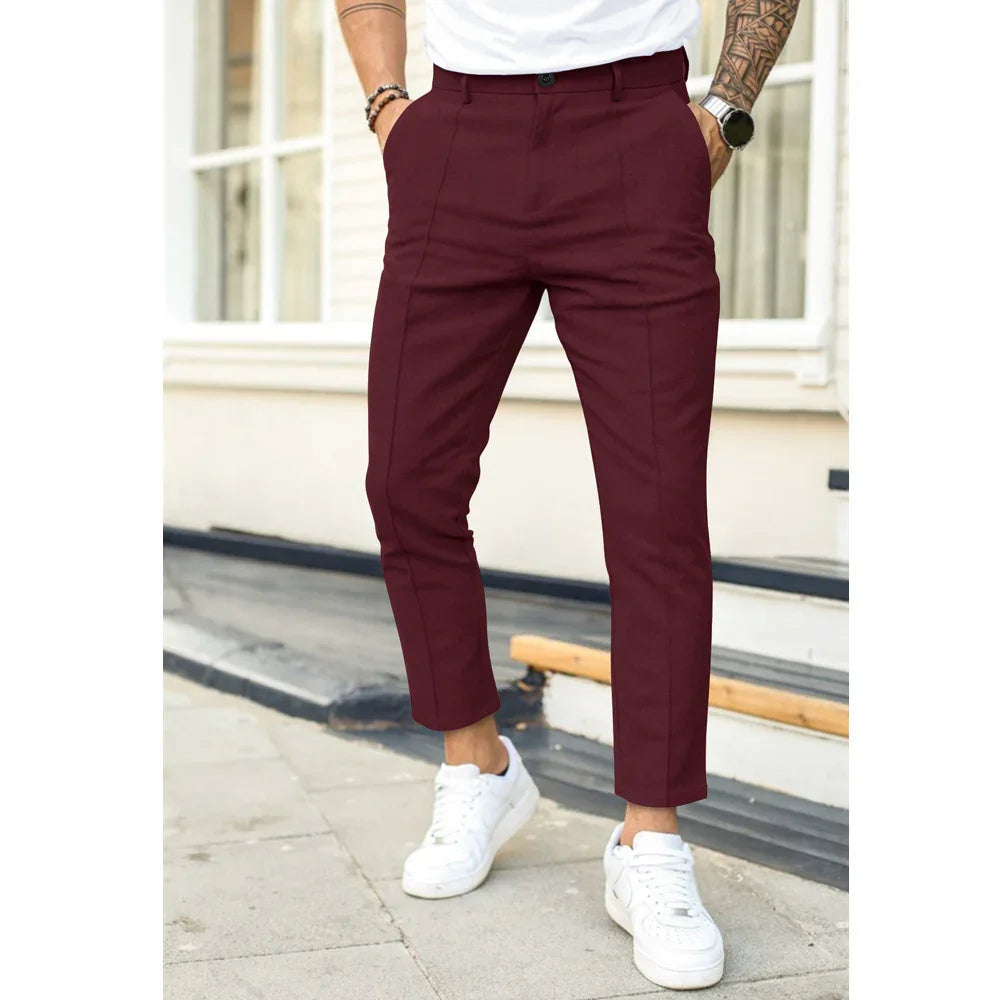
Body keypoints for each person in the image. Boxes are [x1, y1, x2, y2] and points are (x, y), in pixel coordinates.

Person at [337, 0, 801, 990]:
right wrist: (388, 107)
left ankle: (649, 838)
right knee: (406, 477)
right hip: (456, 137)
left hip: (635, 128)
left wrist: (723, 109)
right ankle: (479, 763)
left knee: (656, 508)